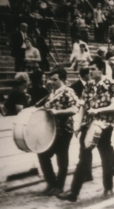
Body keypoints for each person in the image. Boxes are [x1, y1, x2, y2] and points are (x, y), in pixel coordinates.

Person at [57, 60, 114, 202]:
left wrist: (98, 110)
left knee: (105, 157)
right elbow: (83, 106)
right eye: (90, 69)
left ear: (101, 70)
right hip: (88, 125)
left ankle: (108, 188)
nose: (90, 72)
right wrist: (78, 125)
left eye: (93, 68)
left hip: (105, 125)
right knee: (83, 158)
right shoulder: (89, 85)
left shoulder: (112, 84)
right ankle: (73, 193)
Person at [37, 66, 80, 196]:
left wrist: (57, 112)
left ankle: (59, 186)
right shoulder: (52, 93)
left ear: (62, 79)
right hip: (51, 130)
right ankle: (52, 183)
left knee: (62, 158)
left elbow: (74, 109)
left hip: (64, 130)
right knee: (43, 154)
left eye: (54, 79)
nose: (51, 82)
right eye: (50, 79)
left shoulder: (68, 91)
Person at [70, 67, 93, 183]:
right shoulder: (74, 87)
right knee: (85, 148)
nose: (91, 75)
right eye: (90, 73)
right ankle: (87, 173)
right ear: (85, 75)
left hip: (95, 119)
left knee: (103, 146)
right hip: (83, 119)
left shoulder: (94, 85)